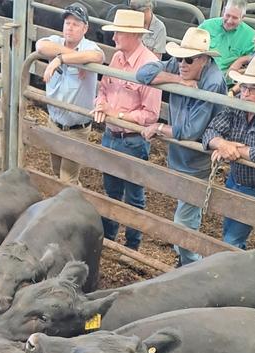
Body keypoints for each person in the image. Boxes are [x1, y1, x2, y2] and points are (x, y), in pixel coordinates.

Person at [137, 27, 227, 267]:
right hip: (181, 156)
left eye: (188, 59)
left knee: (184, 220)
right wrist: (180, 80)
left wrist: (159, 128)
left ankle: (190, 264)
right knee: (184, 216)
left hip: (197, 160)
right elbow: (143, 73)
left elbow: (191, 131)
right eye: (179, 58)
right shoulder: (180, 69)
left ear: (204, 59)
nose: (182, 63)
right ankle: (186, 260)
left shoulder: (213, 83)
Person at [202, 54, 255, 249]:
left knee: (232, 239)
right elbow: (210, 132)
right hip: (235, 179)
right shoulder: (238, 104)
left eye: (252, 88)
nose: (245, 93)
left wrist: (235, 149)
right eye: (244, 86)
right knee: (229, 232)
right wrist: (223, 144)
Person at [93, 9, 160, 251]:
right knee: (111, 192)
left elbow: (151, 114)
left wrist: (118, 116)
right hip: (110, 135)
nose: (113, 38)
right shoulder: (117, 58)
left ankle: (133, 248)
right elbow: (103, 89)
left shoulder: (150, 65)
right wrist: (100, 104)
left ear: (133, 35)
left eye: (118, 33)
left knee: (133, 198)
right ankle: (110, 242)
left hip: (132, 139)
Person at [37, 3, 104, 184]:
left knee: (68, 179)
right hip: (54, 123)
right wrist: (73, 58)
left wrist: (60, 59)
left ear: (85, 28)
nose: (70, 27)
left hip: (77, 129)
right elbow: (40, 46)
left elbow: (98, 57)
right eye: (67, 23)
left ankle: (72, 208)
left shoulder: (90, 47)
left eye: (76, 24)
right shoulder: (55, 41)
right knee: (57, 171)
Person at [199, 0, 255, 79]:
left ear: (242, 18)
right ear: (223, 11)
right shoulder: (206, 26)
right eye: (227, 15)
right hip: (199, 73)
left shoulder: (251, 36)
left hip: (226, 80)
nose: (229, 21)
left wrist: (243, 60)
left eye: (235, 18)